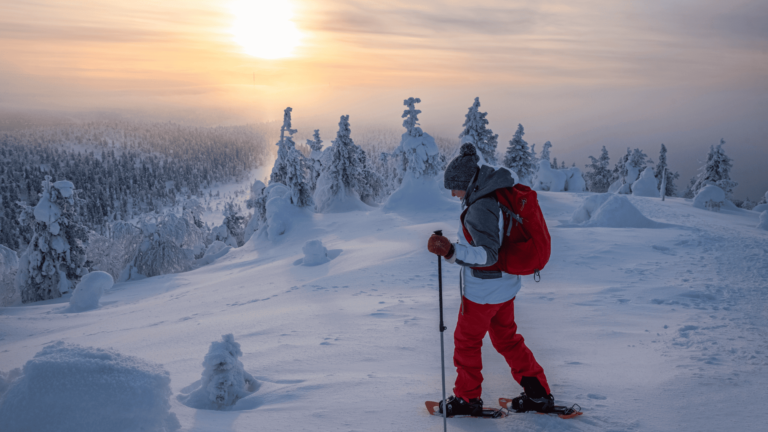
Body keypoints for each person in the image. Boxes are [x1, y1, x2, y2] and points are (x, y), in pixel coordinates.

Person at [427, 143, 553, 416]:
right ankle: (538, 394)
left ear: (467, 182)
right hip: (504, 287)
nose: (453, 193)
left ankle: (467, 399)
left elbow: (487, 254)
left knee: (467, 342)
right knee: (507, 340)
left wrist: (451, 251)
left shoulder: (480, 206)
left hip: (483, 291)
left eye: (455, 187)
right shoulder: (494, 193)